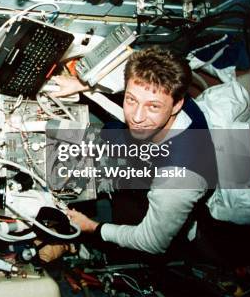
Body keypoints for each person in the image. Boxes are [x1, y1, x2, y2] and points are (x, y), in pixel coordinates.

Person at [53, 46, 218, 256]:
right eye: (131, 99)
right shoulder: (160, 84)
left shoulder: (180, 181)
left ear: (177, 105)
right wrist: (79, 84)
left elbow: (152, 242)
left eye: (153, 107)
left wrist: (92, 227)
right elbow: (124, 75)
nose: (136, 117)